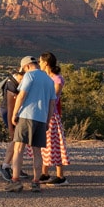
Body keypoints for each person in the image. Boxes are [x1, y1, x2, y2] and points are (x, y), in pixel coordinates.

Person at [5, 56, 57, 193]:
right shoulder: (49, 80)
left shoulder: (29, 76)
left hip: (26, 116)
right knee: (37, 152)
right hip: (41, 118)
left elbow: (21, 95)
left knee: (18, 149)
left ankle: (15, 181)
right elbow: (52, 103)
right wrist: (47, 120)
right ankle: (36, 182)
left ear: (27, 66)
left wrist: (14, 114)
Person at [39, 51, 69, 185]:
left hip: (51, 115)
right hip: (42, 113)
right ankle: (44, 173)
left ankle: (60, 176)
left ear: (45, 63)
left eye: (40, 61)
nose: (39, 64)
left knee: (55, 144)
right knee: (43, 144)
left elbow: (54, 97)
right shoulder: (45, 77)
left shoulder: (57, 79)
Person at [0, 70, 25, 181]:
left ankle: (14, 167)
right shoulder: (11, 84)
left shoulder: (15, 82)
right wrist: (10, 128)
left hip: (14, 113)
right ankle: (5, 166)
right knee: (16, 140)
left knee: (19, 141)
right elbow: (9, 108)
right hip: (9, 112)